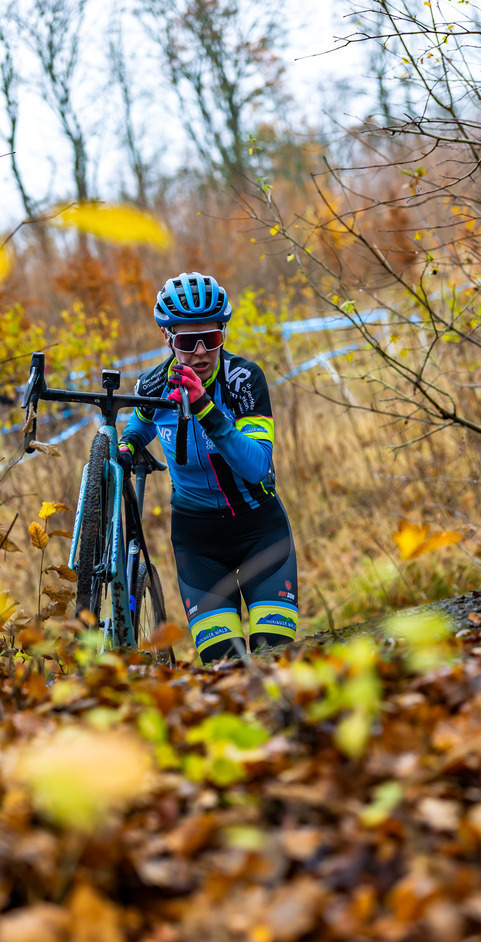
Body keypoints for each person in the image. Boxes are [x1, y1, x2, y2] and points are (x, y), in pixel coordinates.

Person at [118, 271, 298, 664]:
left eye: (211, 339)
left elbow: (257, 467)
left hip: (260, 531)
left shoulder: (243, 379)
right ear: (168, 339)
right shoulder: (153, 385)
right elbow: (140, 421)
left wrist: (206, 410)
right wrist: (127, 444)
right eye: (187, 342)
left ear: (223, 333)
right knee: (224, 666)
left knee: (272, 655)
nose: (200, 353)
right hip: (198, 541)